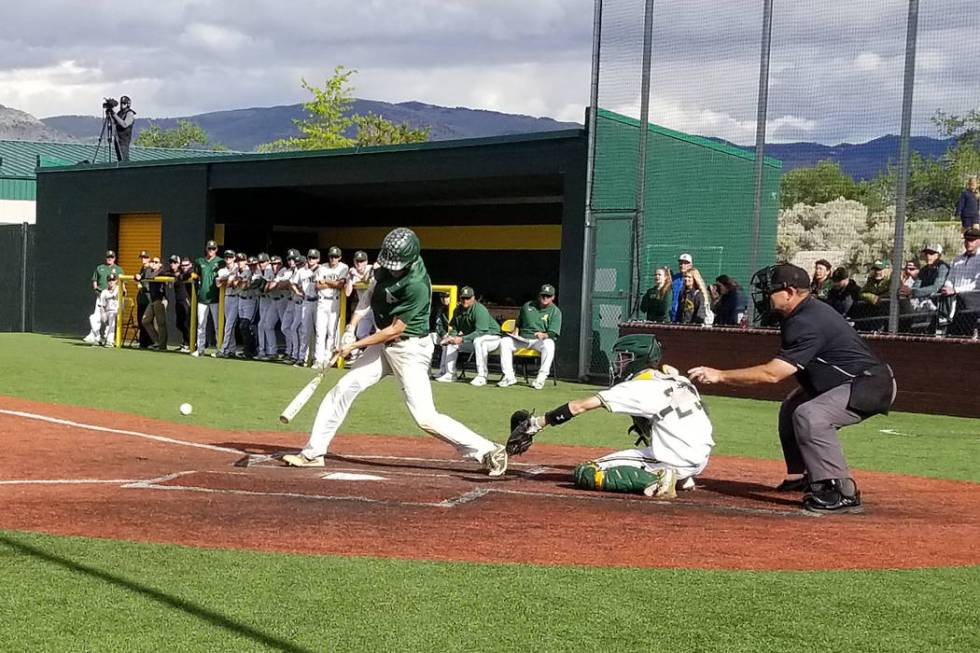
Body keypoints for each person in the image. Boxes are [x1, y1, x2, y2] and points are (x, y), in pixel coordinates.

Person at [281, 227, 508, 477]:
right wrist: (350, 328)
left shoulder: (417, 285)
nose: (392, 268)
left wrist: (354, 345)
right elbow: (367, 298)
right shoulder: (383, 267)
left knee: (425, 417)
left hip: (410, 349)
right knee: (344, 387)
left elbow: (395, 330)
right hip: (383, 345)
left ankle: (488, 450)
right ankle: (314, 452)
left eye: (396, 265)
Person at [687, 263, 896, 515]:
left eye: (770, 290)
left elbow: (772, 373)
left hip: (870, 385)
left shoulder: (808, 319)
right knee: (793, 406)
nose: (766, 296)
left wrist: (720, 375)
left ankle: (841, 490)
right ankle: (807, 474)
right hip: (852, 382)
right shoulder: (799, 314)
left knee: (810, 415)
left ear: (789, 292)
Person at [505, 334, 713, 498]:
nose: (618, 363)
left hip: (674, 458)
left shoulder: (638, 387)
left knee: (586, 472)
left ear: (637, 360)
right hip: (701, 458)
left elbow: (579, 406)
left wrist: (536, 424)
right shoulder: (678, 378)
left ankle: (660, 477)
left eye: (624, 358)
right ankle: (683, 478)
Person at [497, 284, 563, 389]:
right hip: (523, 339)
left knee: (550, 344)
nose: (545, 298)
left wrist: (544, 334)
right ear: (539, 295)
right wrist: (516, 330)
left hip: (538, 341)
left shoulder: (555, 311)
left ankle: (540, 379)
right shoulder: (527, 306)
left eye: (548, 296)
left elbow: (553, 333)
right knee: (505, 341)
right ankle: (509, 376)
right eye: (543, 295)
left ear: (553, 297)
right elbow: (519, 323)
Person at [434, 286, 501, 386]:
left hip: (492, 338)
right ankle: (450, 374)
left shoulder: (479, 309)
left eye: (468, 298)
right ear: (459, 298)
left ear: (473, 298)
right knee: (452, 343)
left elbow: (481, 332)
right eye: (463, 298)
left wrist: (462, 338)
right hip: (473, 339)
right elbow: (455, 328)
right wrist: (451, 337)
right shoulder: (458, 310)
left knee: (479, 341)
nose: (465, 300)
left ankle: (482, 376)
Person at [900, 244, 950, 333]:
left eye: (932, 253)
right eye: (926, 253)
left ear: (939, 255)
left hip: (942, 304)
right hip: (927, 305)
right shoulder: (924, 270)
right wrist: (907, 290)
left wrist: (912, 292)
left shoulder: (943, 267)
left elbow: (936, 287)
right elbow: (916, 286)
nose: (928, 256)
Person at [940, 227, 980, 336]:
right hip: (955, 303)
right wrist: (947, 287)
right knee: (954, 335)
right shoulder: (957, 260)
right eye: (966, 239)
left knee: (970, 335)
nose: (968, 243)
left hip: (973, 304)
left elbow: (977, 284)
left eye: (971, 240)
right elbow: (950, 278)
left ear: (978, 241)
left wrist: (955, 290)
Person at [313, 246, 348, 368]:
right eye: (331, 256)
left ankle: (327, 359)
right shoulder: (322, 267)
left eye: (336, 256)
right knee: (320, 331)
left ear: (340, 257)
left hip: (334, 301)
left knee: (331, 332)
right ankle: (318, 359)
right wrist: (332, 283)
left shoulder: (343, 267)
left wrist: (326, 281)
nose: (333, 259)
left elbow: (340, 284)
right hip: (322, 301)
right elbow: (317, 286)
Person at [84, 250, 124, 344]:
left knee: (111, 317)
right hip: (101, 295)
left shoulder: (118, 269)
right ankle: (95, 336)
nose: (110, 259)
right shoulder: (100, 268)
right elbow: (95, 280)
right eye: (108, 257)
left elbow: (122, 284)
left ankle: (109, 338)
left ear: (114, 258)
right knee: (95, 317)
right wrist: (96, 290)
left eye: (112, 257)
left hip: (113, 298)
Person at [192, 240, 221, 358]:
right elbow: (195, 274)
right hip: (202, 298)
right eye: (209, 249)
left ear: (216, 250)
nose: (211, 251)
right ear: (206, 249)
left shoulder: (220, 262)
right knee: (201, 324)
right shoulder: (200, 261)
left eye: (213, 249)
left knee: (217, 325)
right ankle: (200, 349)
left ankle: (219, 349)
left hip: (215, 297)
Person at [294, 249, 320, 366]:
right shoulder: (301, 271)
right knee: (305, 331)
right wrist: (298, 291)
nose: (311, 260)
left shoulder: (321, 269)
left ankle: (316, 358)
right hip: (306, 301)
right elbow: (292, 282)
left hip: (319, 301)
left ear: (318, 259)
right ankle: (302, 357)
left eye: (314, 258)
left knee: (318, 331)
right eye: (310, 258)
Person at [216, 251, 241, 358]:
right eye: (226, 257)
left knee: (229, 325)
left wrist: (228, 281)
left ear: (234, 258)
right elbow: (218, 283)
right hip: (227, 297)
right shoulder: (222, 270)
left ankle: (224, 349)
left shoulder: (238, 268)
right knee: (230, 325)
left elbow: (234, 282)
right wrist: (230, 280)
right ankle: (232, 349)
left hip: (237, 298)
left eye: (230, 257)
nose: (228, 259)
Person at [141, 256, 168, 350]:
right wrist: (137, 276)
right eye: (153, 261)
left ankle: (162, 345)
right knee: (145, 320)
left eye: (156, 262)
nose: (154, 263)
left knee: (160, 323)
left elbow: (162, 275)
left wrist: (149, 267)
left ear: (160, 264)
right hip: (152, 300)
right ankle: (157, 341)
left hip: (160, 299)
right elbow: (141, 276)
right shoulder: (148, 271)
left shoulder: (161, 271)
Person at [170, 255, 194, 352]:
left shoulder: (189, 272)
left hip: (186, 300)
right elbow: (164, 273)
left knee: (186, 323)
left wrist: (180, 276)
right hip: (178, 300)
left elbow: (190, 274)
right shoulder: (175, 273)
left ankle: (190, 344)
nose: (173, 264)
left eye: (175, 262)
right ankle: (186, 343)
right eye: (171, 262)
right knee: (179, 323)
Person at [93, 273, 121, 347]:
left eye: (113, 280)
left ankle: (110, 341)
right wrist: (103, 315)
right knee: (93, 318)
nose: (111, 282)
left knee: (112, 316)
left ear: (116, 281)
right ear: (107, 281)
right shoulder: (104, 292)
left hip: (118, 311)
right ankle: (98, 339)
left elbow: (124, 292)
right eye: (109, 280)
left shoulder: (119, 289)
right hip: (107, 311)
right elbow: (102, 305)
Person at [133, 250, 153, 348]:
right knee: (141, 320)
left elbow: (148, 283)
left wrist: (141, 284)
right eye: (142, 257)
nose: (143, 259)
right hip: (141, 298)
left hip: (147, 298)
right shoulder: (143, 268)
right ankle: (143, 343)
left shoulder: (149, 269)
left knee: (146, 321)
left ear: (149, 259)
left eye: (145, 258)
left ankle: (149, 342)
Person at [108, 95, 136, 162]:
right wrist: (110, 115)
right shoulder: (120, 113)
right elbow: (114, 122)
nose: (122, 105)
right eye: (121, 103)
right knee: (120, 159)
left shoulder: (130, 113)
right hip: (117, 139)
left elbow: (124, 124)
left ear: (128, 104)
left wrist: (114, 115)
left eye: (124, 103)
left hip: (124, 141)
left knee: (124, 159)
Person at [670, 253, 694, 320]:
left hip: (687, 317)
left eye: (685, 263)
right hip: (673, 316)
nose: (682, 265)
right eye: (681, 263)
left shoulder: (694, 278)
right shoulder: (674, 278)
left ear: (691, 265)